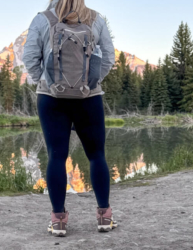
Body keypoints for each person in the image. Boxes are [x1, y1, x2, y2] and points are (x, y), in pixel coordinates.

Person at [23, 0, 117, 237]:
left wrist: (46, 84)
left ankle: (58, 221)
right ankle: (104, 217)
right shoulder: (96, 19)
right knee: (96, 156)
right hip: (89, 98)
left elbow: (30, 58)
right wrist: (90, 84)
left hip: (52, 98)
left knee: (56, 156)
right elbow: (108, 58)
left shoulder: (42, 19)